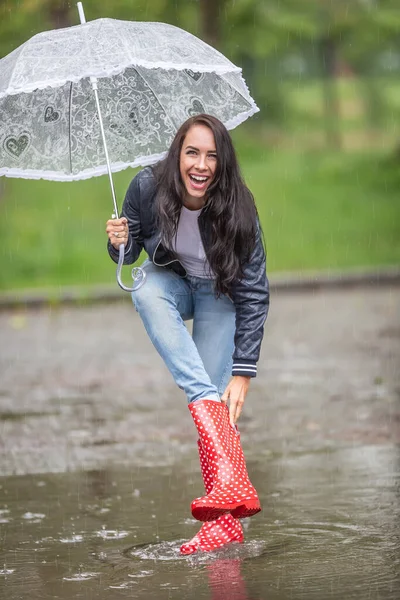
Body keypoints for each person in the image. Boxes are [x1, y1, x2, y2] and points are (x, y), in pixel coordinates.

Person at [106, 114, 269, 554]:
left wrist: (243, 371)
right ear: (178, 154)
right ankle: (232, 483)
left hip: (219, 293)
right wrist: (119, 241)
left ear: (223, 163)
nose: (202, 165)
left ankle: (225, 521)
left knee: (217, 397)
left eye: (212, 155)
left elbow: (253, 291)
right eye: (192, 152)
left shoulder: (240, 206)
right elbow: (134, 250)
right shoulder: (146, 187)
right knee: (143, 284)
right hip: (172, 285)